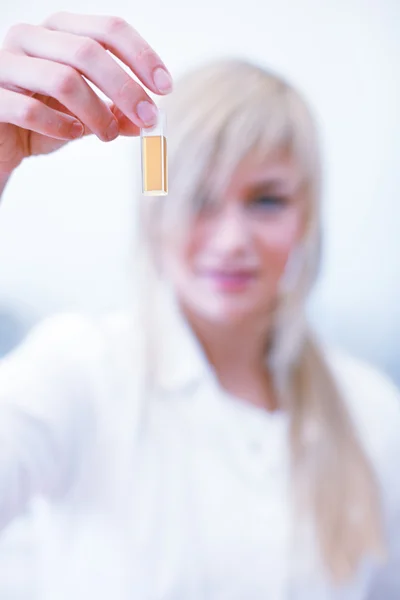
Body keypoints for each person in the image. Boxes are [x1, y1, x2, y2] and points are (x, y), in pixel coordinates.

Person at [0, 10, 399, 600]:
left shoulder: (374, 415)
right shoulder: (77, 370)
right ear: (156, 210)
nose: (233, 239)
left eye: (267, 200)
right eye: (201, 198)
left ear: (306, 216)